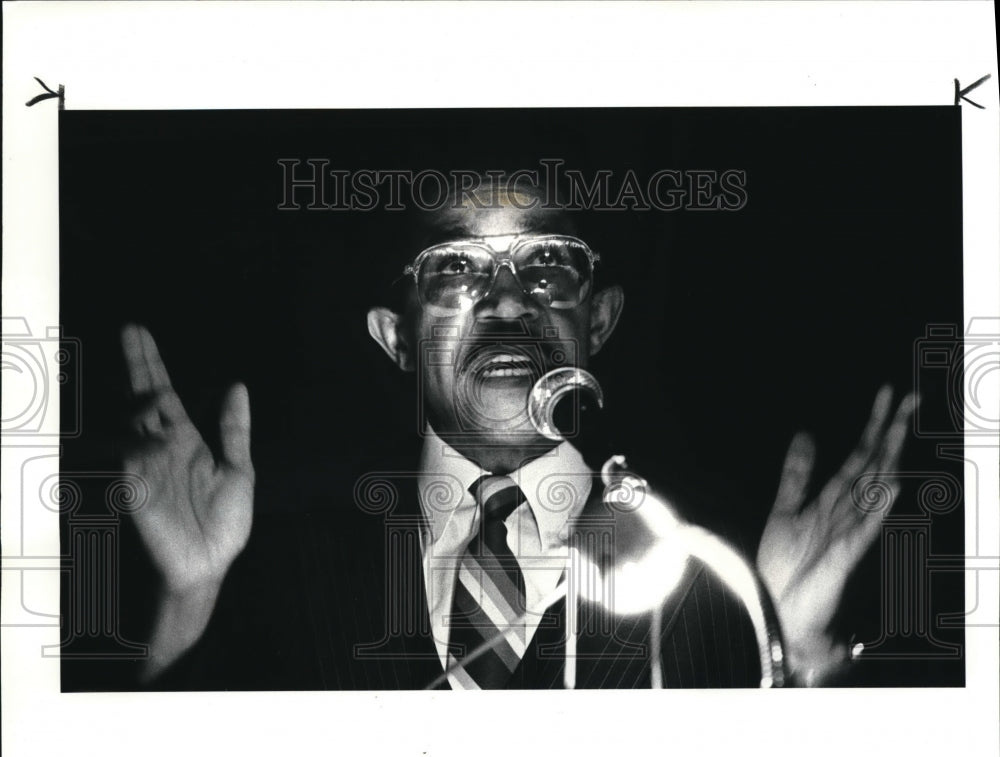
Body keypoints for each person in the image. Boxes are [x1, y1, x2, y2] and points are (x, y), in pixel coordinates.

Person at [120, 176, 915, 690]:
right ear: (395, 337)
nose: (506, 301)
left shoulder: (716, 572)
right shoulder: (276, 562)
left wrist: (794, 647)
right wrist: (188, 603)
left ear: (597, 318)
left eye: (546, 267)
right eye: (457, 268)